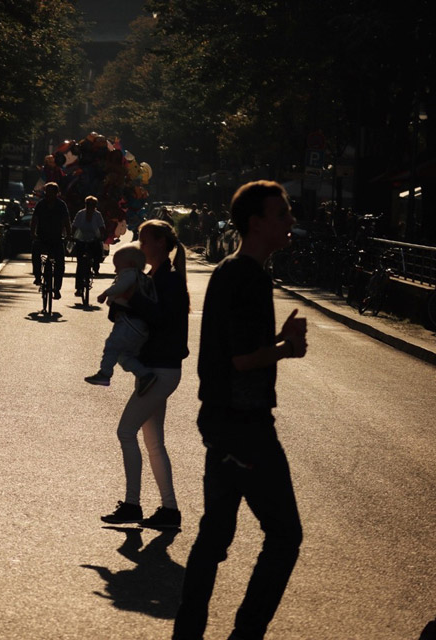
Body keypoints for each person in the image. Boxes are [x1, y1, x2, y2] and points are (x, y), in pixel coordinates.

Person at [173, 181, 307, 640]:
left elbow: (237, 350)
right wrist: (286, 349)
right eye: (282, 214)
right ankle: (245, 634)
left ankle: (187, 631)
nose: (290, 221)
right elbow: (240, 360)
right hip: (245, 424)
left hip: (221, 420)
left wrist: (276, 343)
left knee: (214, 537)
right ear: (257, 222)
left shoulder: (233, 271)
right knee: (285, 536)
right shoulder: (248, 276)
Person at [97, 219, 190, 530]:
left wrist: (132, 297)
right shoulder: (153, 276)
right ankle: (168, 510)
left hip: (161, 369)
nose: (140, 245)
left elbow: (162, 320)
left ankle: (133, 504)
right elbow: (134, 314)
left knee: (126, 432)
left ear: (161, 243)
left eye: (145, 240)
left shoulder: (170, 280)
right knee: (154, 443)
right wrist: (121, 301)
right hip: (155, 367)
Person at [84, 242, 158, 395]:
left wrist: (106, 293)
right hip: (139, 326)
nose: (115, 270)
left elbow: (121, 286)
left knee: (112, 345)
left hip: (129, 321)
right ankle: (144, 374)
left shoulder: (130, 274)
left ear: (130, 264)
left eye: (117, 266)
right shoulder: (144, 279)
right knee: (123, 355)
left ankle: (104, 374)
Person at [30, 182, 72, 299]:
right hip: (42, 237)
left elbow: (66, 221)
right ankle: (38, 276)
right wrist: (33, 233)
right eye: (47, 192)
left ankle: (57, 289)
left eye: (52, 192)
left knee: (60, 264)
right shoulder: (41, 205)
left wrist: (69, 234)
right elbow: (34, 220)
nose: (49, 195)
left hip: (56, 238)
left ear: (56, 193)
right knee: (35, 252)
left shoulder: (61, 205)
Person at [72, 195, 107, 293]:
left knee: (98, 252)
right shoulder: (80, 214)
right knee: (80, 264)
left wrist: (102, 235)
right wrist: (72, 235)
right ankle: (79, 288)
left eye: (93, 205)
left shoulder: (97, 215)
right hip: (81, 237)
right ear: (85, 204)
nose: (90, 206)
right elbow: (75, 225)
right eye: (88, 204)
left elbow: (101, 227)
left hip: (93, 237)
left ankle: (95, 268)